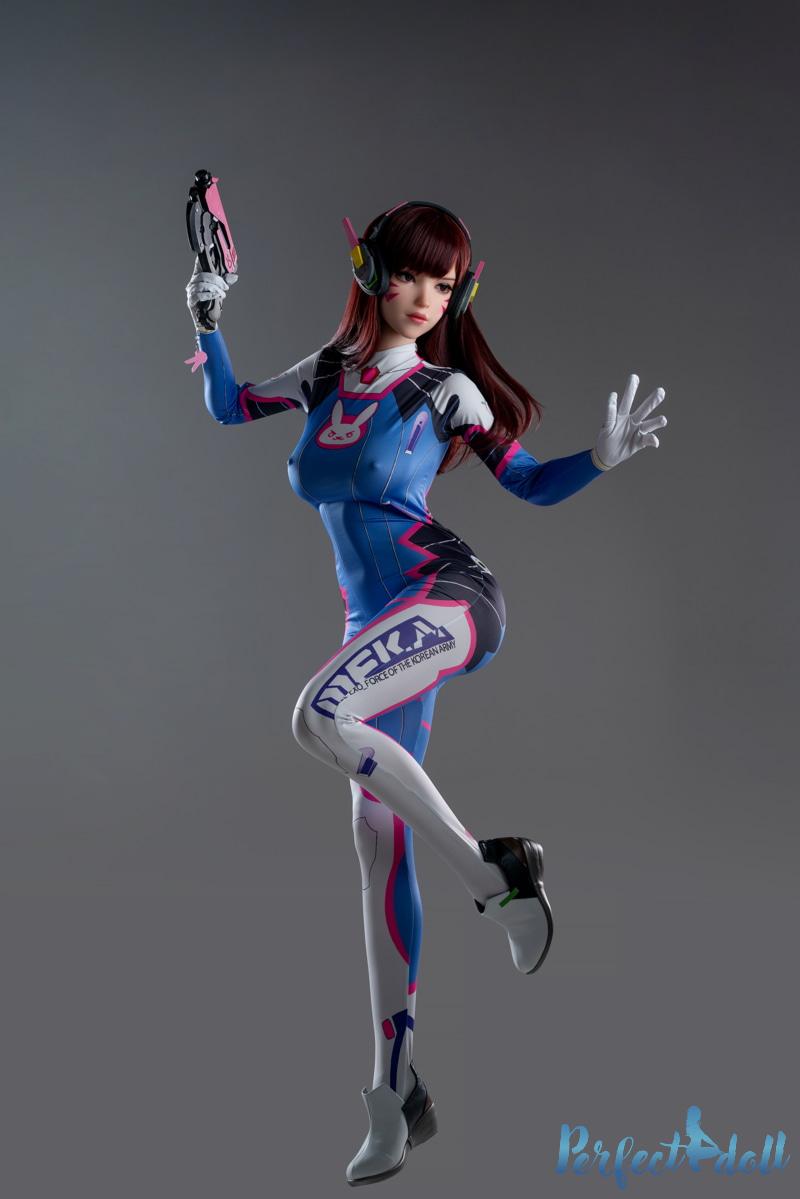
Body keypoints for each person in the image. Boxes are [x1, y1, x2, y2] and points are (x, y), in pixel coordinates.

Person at [184, 200, 668, 1185]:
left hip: (448, 595)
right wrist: (207, 314)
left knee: (319, 715)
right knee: (375, 845)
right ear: (369, 271)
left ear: (459, 293)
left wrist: (597, 459)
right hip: (374, 627)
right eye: (407, 274)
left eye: (442, 283)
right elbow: (230, 405)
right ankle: (395, 1094)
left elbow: (526, 483)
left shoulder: (445, 390)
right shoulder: (327, 373)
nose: (422, 297)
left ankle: (494, 876)